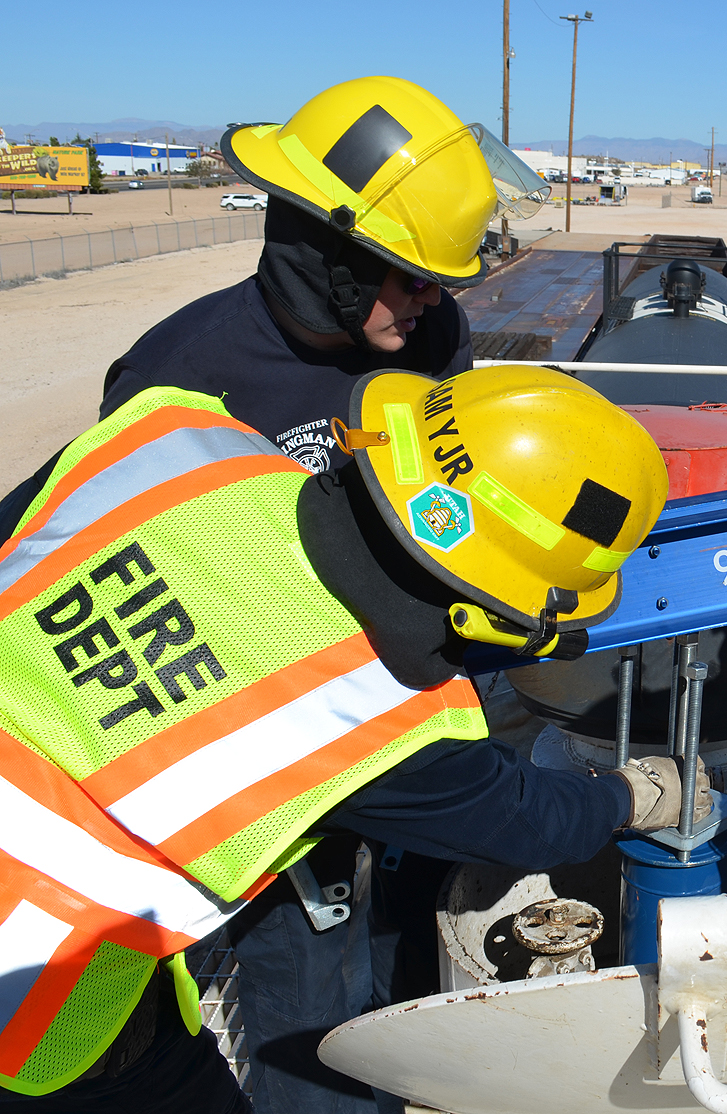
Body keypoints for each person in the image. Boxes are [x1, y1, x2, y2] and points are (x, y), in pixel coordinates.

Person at [0, 77, 555, 1113]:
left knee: (391, 943)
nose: (438, 303)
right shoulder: (185, 374)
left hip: (383, 724)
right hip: (259, 762)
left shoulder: (427, 340)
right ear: (328, 256)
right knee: (311, 1012)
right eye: (411, 278)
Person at [0, 364, 707, 1113]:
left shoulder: (174, 436)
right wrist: (632, 796)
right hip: (39, 981)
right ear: (491, 608)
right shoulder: (376, 722)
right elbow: (531, 819)